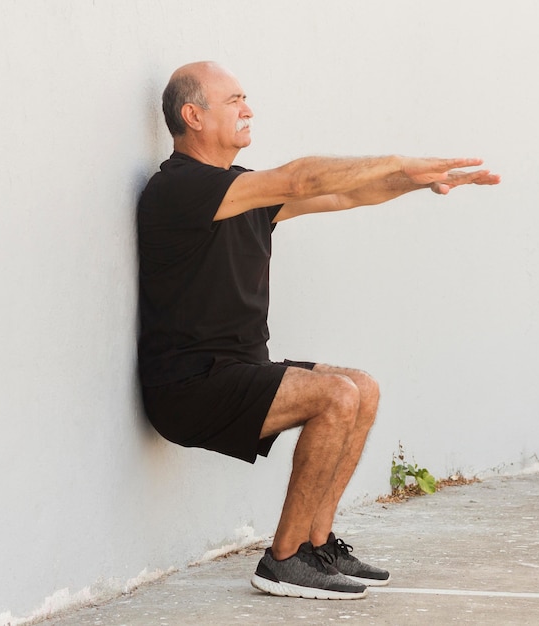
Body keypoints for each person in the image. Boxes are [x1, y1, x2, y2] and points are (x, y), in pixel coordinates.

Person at [137, 61, 500, 600]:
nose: (249, 109)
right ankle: (282, 561)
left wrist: (416, 181)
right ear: (193, 115)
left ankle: (315, 544)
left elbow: (345, 195)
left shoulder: (242, 192)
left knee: (363, 388)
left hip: (236, 372)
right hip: (189, 385)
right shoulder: (180, 189)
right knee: (336, 395)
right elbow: (303, 177)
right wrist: (400, 158)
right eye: (234, 99)